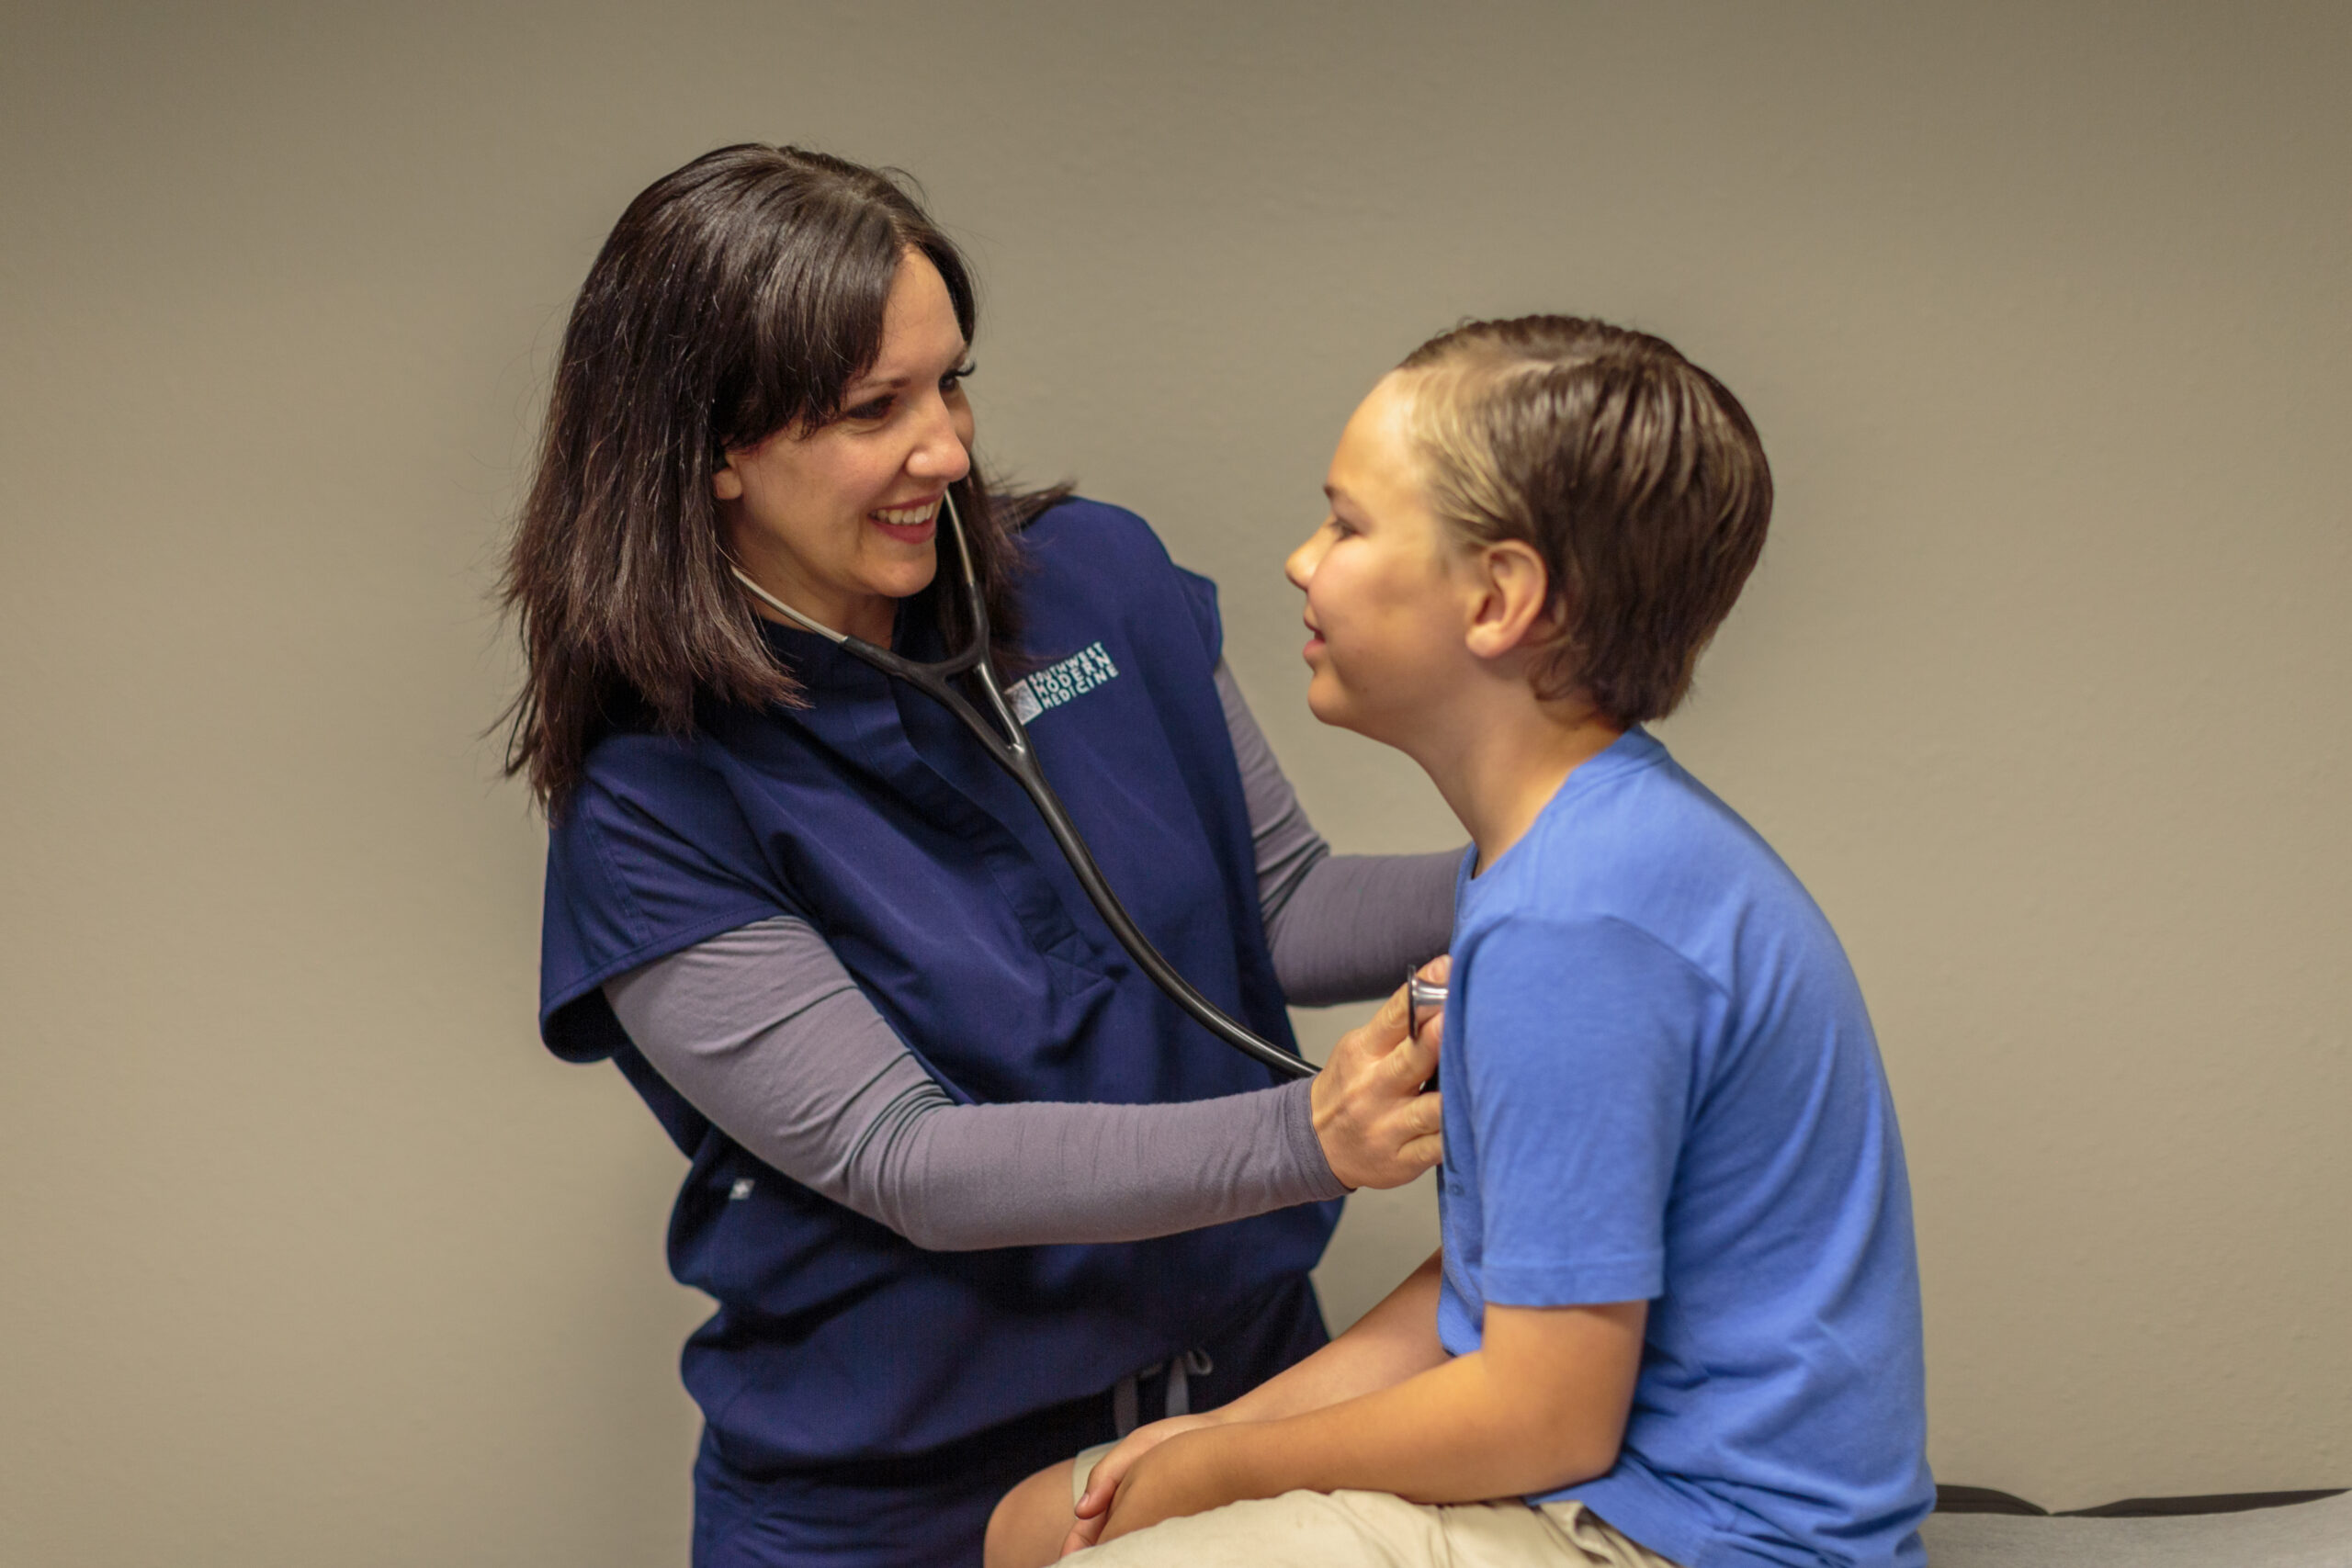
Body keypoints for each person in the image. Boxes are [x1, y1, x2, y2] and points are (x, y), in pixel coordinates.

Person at [501, 144, 1459, 1568]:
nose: (945, 447)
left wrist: (1575, 851)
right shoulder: (656, 801)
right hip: (905, 1504)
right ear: (708, 448)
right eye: (870, 409)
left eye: (950, 382)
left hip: (1242, 1427)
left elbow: (1288, 909)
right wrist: (1307, 1136)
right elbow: (909, 1159)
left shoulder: (1094, 582)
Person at [988, 316, 1933, 1568]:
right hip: (1598, 1484)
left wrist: (1223, 1465)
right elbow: (1487, 1293)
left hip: (1691, 1541)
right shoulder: (1547, 862)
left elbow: (1543, 1408)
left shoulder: (1579, 922)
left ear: (1499, 599)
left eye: (1347, 524)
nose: (1298, 561)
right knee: (1031, 1527)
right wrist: (1208, 1439)